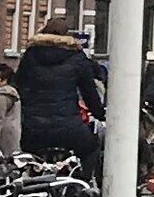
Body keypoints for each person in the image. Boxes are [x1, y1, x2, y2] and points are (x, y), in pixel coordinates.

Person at [18, 33, 110, 186]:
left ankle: (36, 187)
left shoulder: (30, 56)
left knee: (35, 158)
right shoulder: (77, 57)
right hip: (69, 128)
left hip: (35, 129)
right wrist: (99, 113)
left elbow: (19, 85)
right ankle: (81, 183)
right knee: (92, 147)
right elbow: (89, 92)